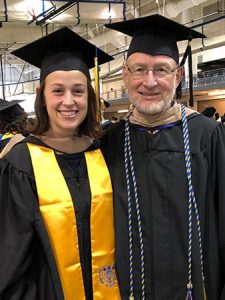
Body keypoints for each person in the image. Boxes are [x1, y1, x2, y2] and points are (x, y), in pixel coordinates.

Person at [101, 14, 225, 299]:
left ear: (178, 76)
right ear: (125, 75)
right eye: (139, 69)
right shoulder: (108, 142)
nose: (150, 81)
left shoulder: (207, 137)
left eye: (162, 70)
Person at [0, 27, 121, 300]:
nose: (69, 101)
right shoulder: (20, 164)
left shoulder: (104, 154)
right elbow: (11, 261)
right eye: (58, 91)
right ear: (41, 94)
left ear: (88, 96)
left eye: (78, 91)